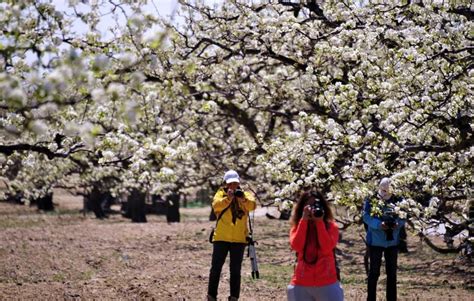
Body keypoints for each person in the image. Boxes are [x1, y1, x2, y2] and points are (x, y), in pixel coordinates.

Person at [207, 170, 257, 301]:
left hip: (239, 239)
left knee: (235, 271)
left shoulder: (244, 195)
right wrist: (228, 199)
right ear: (225, 183)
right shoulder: (220, 194)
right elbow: (216, 206)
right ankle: (211, 296)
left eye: (235, 183)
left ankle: (234, 297)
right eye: (230, 183)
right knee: (216, 268)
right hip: (221, 238)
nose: (233, 186)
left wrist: (243, 199)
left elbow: (252, 206)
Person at [287, 190, 344, 301]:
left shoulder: (331, 227)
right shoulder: (297, 226)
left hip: (327, 281)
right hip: (301, 281)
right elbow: (296, 246)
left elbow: (327, 247)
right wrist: (303, 221)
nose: (313, 208)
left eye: (316, 205)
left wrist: (319, 223)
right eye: (309, 205)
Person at [363, 178, 406, 301]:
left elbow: (404, 216)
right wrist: (378, 224)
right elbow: (365, 216)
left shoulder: (399, 200)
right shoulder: (371, 199)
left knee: (392, 274)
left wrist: (397, 224)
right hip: (375, 241)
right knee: (374, 273)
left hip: (392, 241)